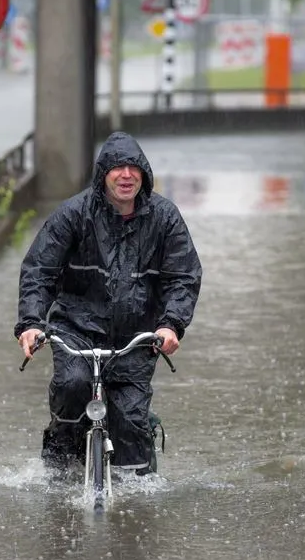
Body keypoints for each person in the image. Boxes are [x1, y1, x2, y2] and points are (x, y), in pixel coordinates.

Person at [14, 131, 203, 476]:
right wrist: (30, 323)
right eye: (117, 167)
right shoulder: (73, 214)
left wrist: (170, 325)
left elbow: (184, 276)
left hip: (137, 336)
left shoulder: (165, 218)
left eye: (134, 167)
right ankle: (58, 467)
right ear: (103, 174)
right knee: (72, 387)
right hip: (76, 330)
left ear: (144, 173)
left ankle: (137, 493)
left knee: (130, 420)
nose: (126, 174)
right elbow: (39, 271)